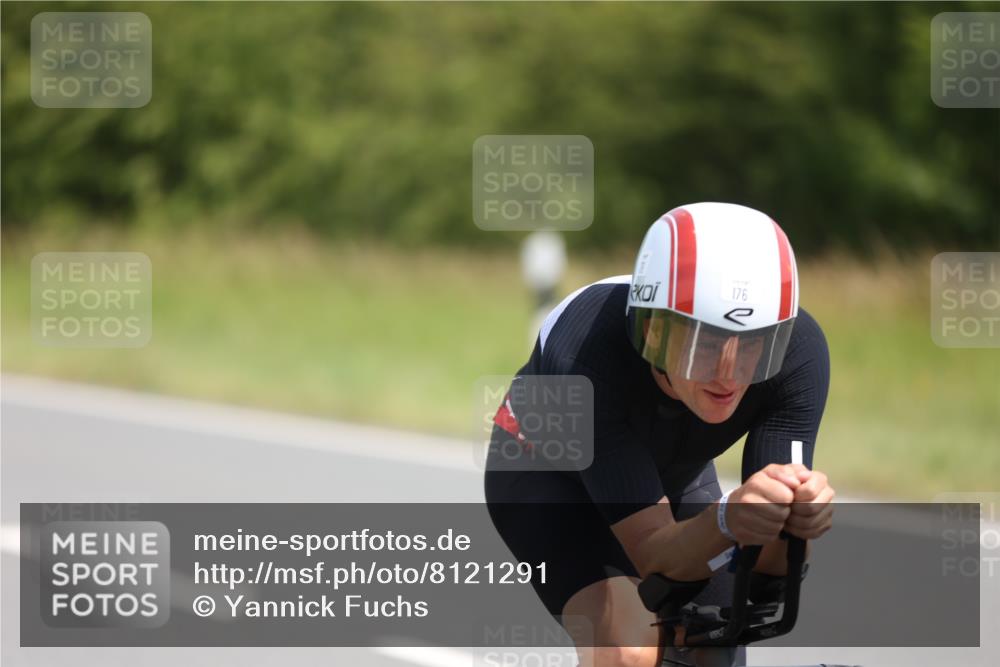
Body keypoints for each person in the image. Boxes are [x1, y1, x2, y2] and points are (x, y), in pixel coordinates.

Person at [484, 202, 835, 667]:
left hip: (671, 473)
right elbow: (654, 558)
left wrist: (798, 525)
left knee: (710, 646)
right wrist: (728, 518)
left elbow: (768, 579)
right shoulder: (586, 353)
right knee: (629, 648)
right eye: (705, 343)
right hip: (546, 478)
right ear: (652, 329)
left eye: (753, 345)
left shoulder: (798, 356)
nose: (728, 375)